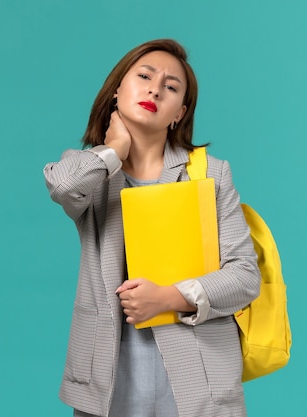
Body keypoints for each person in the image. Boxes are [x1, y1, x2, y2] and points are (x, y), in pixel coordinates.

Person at [43, 39, 261, 417]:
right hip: (108, 381)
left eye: (171, 86)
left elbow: (244, 277)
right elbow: (63, 187)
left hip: (198, 380)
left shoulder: (210, 174)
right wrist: (113, 150)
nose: (155, 89)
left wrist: (169, 298)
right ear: (117, 91)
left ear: (180, 112)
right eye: (144, 76)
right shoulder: (89, 171)